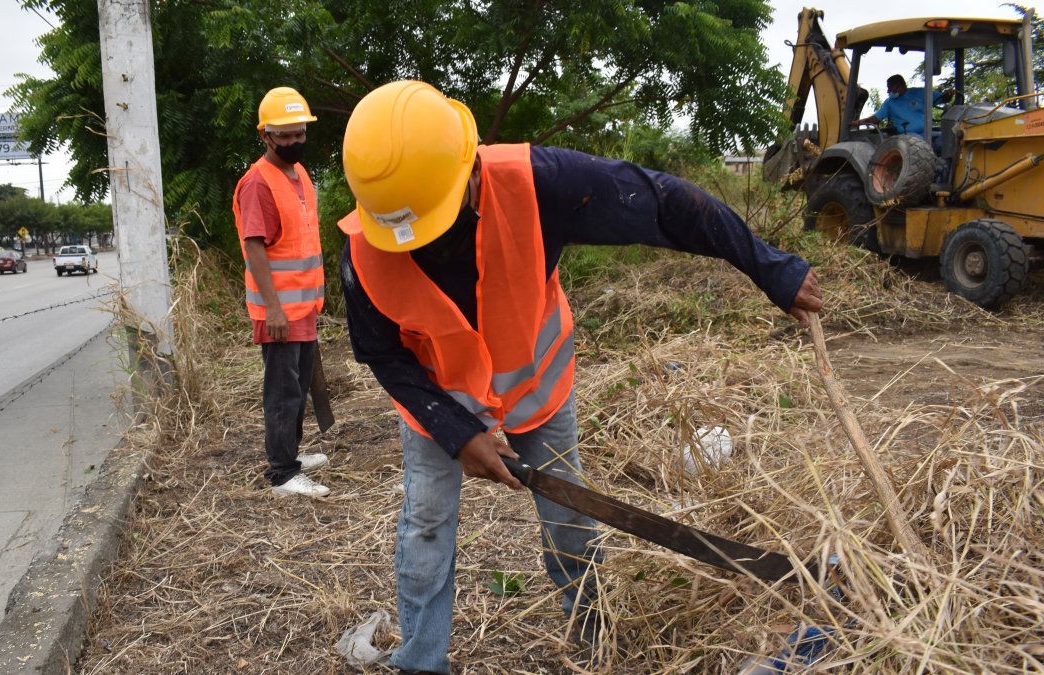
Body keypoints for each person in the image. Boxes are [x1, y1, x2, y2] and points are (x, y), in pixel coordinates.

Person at [336, 81, 823, 675]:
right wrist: (454, 430)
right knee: (427, 528)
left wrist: (770, 267)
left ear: (468, 169)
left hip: (537, 384)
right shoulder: (364, 249)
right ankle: (421, 661)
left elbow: (666, 203)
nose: (425, 244)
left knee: (571, 522)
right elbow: (383, 356)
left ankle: (594, 640)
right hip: (439, 398)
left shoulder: (540, 185)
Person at [232, 87, 330, 498]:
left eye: (299, 133)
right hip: (279, 312)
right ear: (266, 137)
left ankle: (289, 452)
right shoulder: (258, 183)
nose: (294, 141)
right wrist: (273, 308)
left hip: (301, 306)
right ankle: (282, 473)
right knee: (282, 390)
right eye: (285, 135)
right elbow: (255, 246)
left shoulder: (300, 174)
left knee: (299, 383)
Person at [853, 74, 954, 137]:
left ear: (899, 86)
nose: (888, 91)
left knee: (945, 139)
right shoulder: (889, 103)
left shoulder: (919, 93)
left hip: (926, 132)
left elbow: (943, 98)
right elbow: (875, 119)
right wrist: (859, 122)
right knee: (920, 145)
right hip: (908, 136)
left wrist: (949, 95)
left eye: (889, 87)